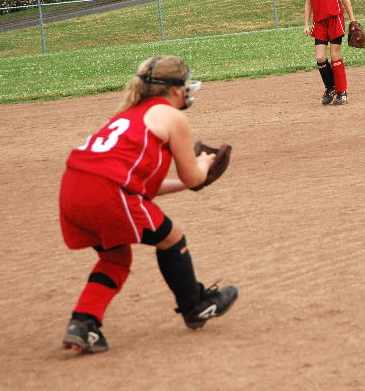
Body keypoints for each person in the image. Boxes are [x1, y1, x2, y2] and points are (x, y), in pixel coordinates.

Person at [59, 55, 238, 354]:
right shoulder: (170, 115)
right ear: (176, 89)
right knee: (171, 237)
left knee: (115, 259)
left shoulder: (128, 115)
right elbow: (194, 178)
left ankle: (83, 323)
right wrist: (204, 163)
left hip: (74, 189)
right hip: (108, 190)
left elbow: (141, 189)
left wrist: (190, 178)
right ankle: (195, 306)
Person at [303, 0, 356, 106]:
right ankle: (331, 88)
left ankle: (342, 91)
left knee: (334, 56)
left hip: (335, 20)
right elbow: (308, 3)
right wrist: (306, 24)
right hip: (319, 22)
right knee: (320, 58)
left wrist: (352, 19)